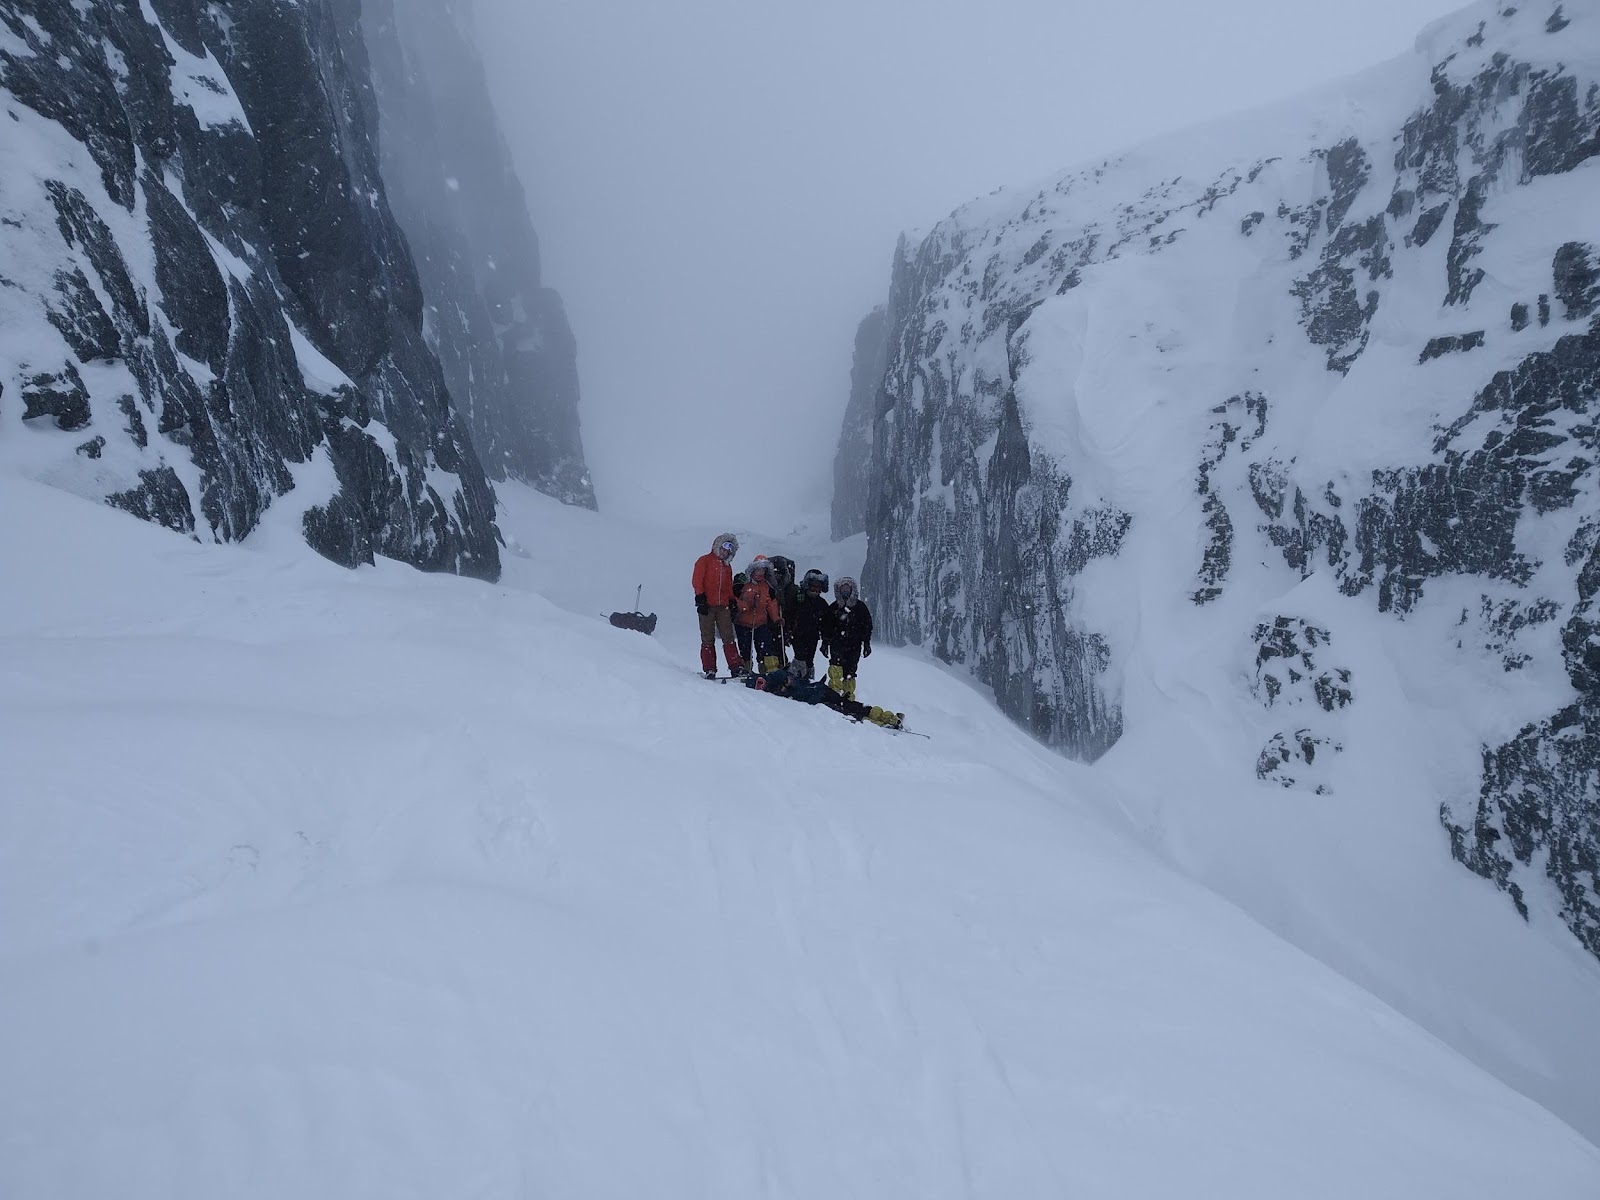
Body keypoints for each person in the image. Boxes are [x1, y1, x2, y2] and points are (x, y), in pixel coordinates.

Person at [745, 666, 903, 728]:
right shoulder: (771, 690)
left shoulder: (775, 677)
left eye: (760, 683)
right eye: (759, 686)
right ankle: (883, 721)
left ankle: (885, 719)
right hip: (819, 693)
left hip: (819, 694)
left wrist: (787, 685)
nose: (762, 686)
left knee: (847, 708)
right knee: (847, 708)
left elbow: (792, 683)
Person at [691, 533, 742, 678]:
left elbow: (728, 586)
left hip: (723, 606)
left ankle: (735, 666)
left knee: (728, 637)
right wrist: (700, 598)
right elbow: (697, 580)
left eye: (729, 550)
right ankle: (710, 668)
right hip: (706, 605)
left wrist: (731, 600)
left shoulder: (727, 567)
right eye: (724, 548)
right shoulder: (704, 561)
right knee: (707, 637)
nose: (725, 552)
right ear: (717, 546)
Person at [734, 555, 782, 674]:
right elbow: (738, 601)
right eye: (758, 569)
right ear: (753, 570)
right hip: (743, 623)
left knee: (765, 648)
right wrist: (744, 605)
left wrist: (776, 618)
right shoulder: (744, 585)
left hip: (760, 623)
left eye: (763, 570)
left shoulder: (767, 587)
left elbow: (771, 605)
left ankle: (768, 670)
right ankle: (746, 670)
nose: (760, 573)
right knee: (745, 649)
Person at [826, 575, 872, 700]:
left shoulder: (860, 607)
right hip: (837, 643)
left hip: (854, 644)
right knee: (835, 666)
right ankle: (834, 692)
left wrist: (866, 643)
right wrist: (825, 643)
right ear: (838, 590)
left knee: (850, 671)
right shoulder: (834, 607)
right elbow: (827, 626)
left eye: (847, 588)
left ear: (853, 589)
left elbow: (867, 626)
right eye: (843, 588)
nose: (845, 591)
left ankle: (848, 696)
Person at [788, 569, 831, 681]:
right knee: (800, 658)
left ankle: (807, 680)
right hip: (797, 634)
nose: (816, 590)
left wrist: (825, 641)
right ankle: (794, 679)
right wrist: (787, 631)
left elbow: (826, 624)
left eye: (818, 587)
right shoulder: (799, 598)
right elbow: (790, 615)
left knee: (809, 660)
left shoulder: (822, 604)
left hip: (813, 636)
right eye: (813, 587)